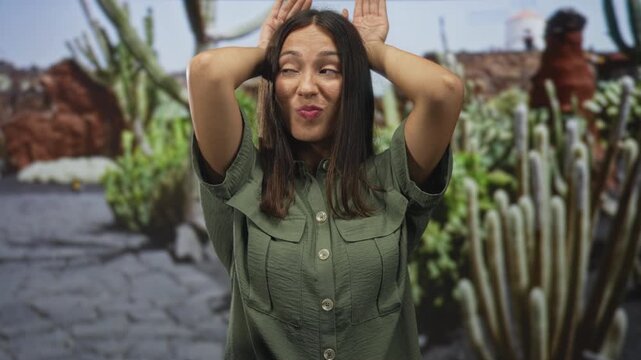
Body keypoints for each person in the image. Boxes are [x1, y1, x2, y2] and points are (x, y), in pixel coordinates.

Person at [186, 0, 464, 358]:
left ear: (352, 84)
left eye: (329, 70)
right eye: (289, 70)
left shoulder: (392, 178)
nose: (306, 87)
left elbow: (443, 90)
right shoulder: (245, 178)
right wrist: (265, 53)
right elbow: (206, 72)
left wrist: (371, 51)